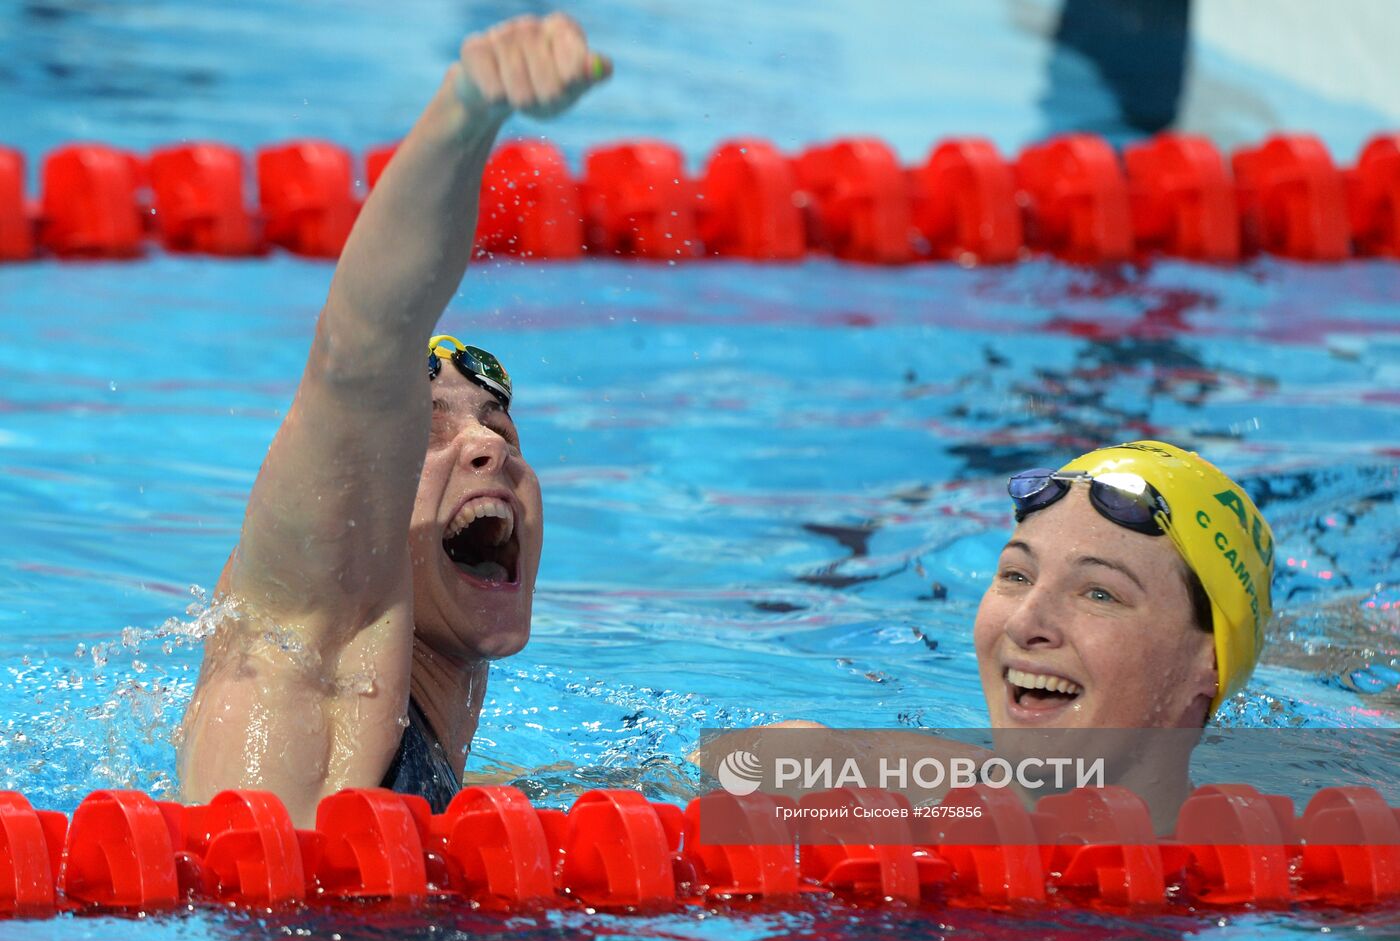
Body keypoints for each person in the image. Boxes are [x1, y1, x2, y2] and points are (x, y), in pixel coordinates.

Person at [176, 14, 611, 827]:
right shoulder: (306, 670)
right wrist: (471, 106)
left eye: (500, 430)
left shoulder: (455, 770)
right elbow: (364, 344)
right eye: (428, 434)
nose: (487, 445)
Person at [702, 440, 1275, 831]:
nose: (1025, 623)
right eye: (1015, 576)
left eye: (1100, 593)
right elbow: (746, 759)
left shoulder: (1295, 866)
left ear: (1209, 661)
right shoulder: (890, 801)